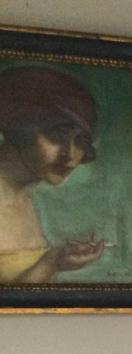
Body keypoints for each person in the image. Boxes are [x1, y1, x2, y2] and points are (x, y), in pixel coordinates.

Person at [0, 65, 106, 284]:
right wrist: (50, 264)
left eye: (80, 141)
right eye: (57, 134)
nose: (71, 155)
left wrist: (53, 262)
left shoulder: (25, 201)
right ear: (20, 129)